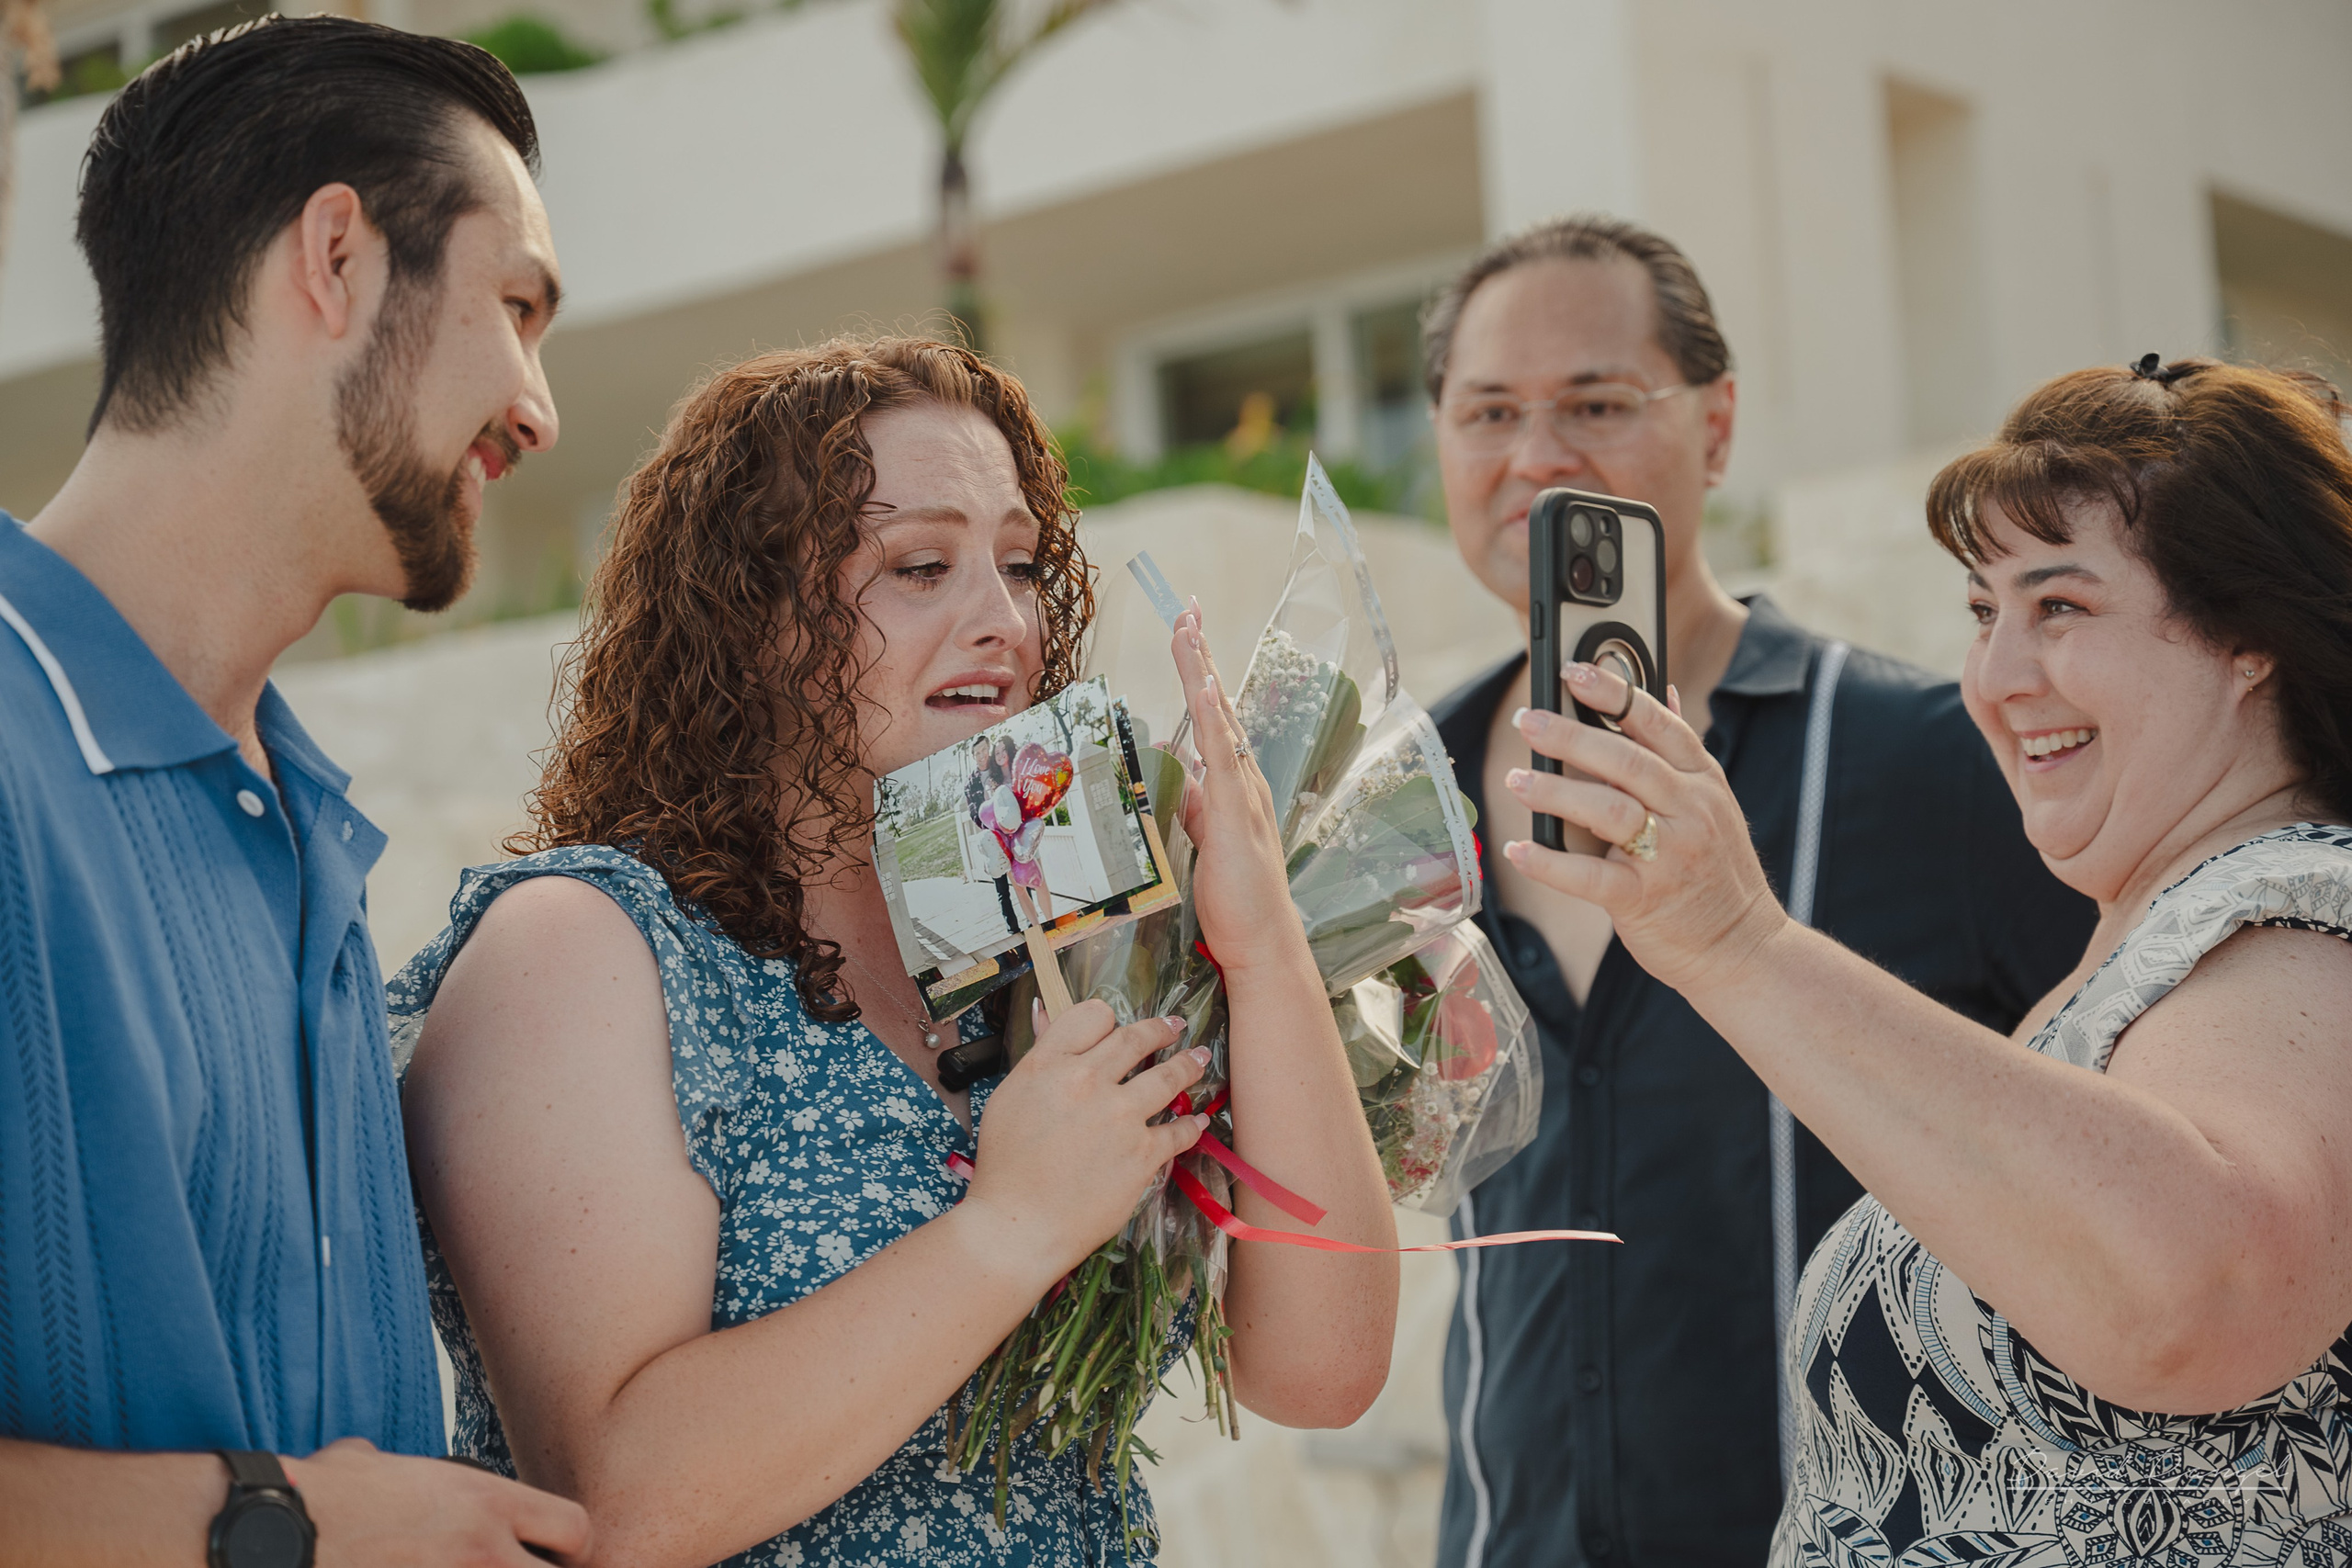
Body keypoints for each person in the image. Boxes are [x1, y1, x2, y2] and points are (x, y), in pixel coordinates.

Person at [393, 336, 1400, 1567]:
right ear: (750, 617)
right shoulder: (584, 948)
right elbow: (616, 1501)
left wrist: (1260, 945)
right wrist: (1009, 1226)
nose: (1006, 622)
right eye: (922, 566)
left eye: (1023, 564)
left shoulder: (1048, 914)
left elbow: (1319, 1368)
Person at [1502, 356, 2352, 1564]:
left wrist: (1738, 943)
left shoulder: (2308, 909)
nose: (1999, 677)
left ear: (2249, 637)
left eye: (2059, 607)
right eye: (1982, 612)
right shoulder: (2152, 950)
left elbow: (2194, 1292)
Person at [1418, 213, 2097, 1568]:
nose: (1538, 455)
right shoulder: (1396, 795)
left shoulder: (1934, 760)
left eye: (1597, 402)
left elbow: (2131, 1158)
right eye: (1488, 410)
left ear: (1716, 426)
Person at [0, 16, 590, 1565]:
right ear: (335, 255)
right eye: (514, 307)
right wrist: (282, 1524)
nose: (539, 409)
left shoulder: (310, 837)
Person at [966, 735, 1022, 933]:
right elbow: (974, 813)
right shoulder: (971, 784)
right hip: (992, 837)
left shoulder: (998, 770)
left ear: (988, 749)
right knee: (1002, 888)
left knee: (1021, 876)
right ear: (973, 756)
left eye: (983, 750)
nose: (981, 756)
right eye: (977, 753)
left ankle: (1033, 921)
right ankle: (1012, 928)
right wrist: (992, 824)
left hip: (1011, 832)